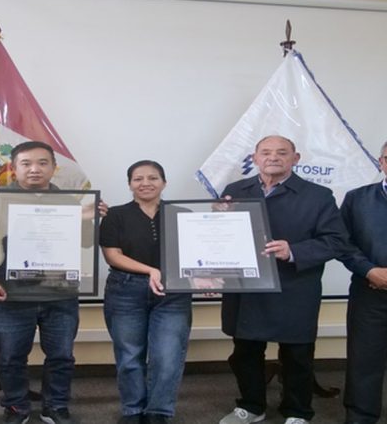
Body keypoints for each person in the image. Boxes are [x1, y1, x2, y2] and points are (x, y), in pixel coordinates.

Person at [218, 135, 348, 424]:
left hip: (295, 286)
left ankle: (297, 411)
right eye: (266, 152)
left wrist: (294, 251)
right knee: (245, 351)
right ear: (255, 158)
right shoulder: (234, 191)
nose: (273, 157)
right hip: (247, 288)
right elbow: (220, 237)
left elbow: (337, 241)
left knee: (297, 355)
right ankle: (252, 406)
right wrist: (217, 223)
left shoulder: (318, 196)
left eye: (282, 152)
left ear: (295, 158)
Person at [0, 141, 92, 424]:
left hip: (59, 294)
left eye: (42, 163)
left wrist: (89, 219)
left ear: (54, 167)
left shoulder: (67, 201)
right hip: (9, 294)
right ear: (14, 168)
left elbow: (84, 244)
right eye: (26, 163)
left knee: (61, 356)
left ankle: (55, 406)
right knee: (11, 357)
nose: (35, 169)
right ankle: (16, 407)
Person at [100, 160, 192, 424]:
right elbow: (113, 256)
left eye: (153, 178)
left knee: (168, 355)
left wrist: (205, 278)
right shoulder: (115, 215)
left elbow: (194, 253)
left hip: (172, 293)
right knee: (129, 356)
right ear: (130, 184)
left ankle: (158, 411)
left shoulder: (182, 214)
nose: (145, 183)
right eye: (138, 179)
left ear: (164, 182)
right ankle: (132, 410)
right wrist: (151, 270)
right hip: (125, 290)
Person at [339, 141, 387, 424]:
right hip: (370, 292)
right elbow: (343, 244)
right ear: (381, 161)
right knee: (364, 359)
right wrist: (369, 270)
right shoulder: (357, 199)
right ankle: (361, 417)